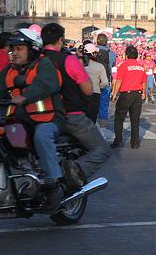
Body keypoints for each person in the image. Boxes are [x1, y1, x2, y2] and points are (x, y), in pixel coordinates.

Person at [0, 29, 65, 211]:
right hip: (21, 120)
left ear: (32, 49)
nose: (14, 53)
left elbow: (46, 83)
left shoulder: (44, 64)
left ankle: (54, 183)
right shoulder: (10, 70)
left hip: (49, 119)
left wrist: (26, 96)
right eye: (12, 49)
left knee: (41, 136)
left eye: (19, 49)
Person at [41, 23, 111, 191]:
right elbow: (87, 90)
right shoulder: (67, 60)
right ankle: (75, 170)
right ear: (60, 40)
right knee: (102, 149)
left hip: (41, 114)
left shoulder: (36, 59)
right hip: (70, 114)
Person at [111, 46, 147, 149]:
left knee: (119, 118)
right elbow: (144, 82)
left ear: (126, 55)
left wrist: (114, 95)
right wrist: (143, 93)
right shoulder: (140, 66)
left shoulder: (124, 65)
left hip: (126, 94)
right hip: (137, 94)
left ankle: (118, 141)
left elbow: (118, 81)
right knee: (135, 119)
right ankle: (135, 143)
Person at [96, 33, 117, 138]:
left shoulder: (93, 51)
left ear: (97, 41)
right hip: (106, 81)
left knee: (92, 104)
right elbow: (113, 65)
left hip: (93, 82)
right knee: (104, 106)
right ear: (106, 42)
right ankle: (102, 130)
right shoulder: (112, 54)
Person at [82, 43, 108, 123]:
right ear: (93, 54)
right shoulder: (99, 66)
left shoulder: (80, 64)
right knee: (92, 120)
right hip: (95, 93)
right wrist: (97, 85)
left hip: (81, 93)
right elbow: (105, 83)